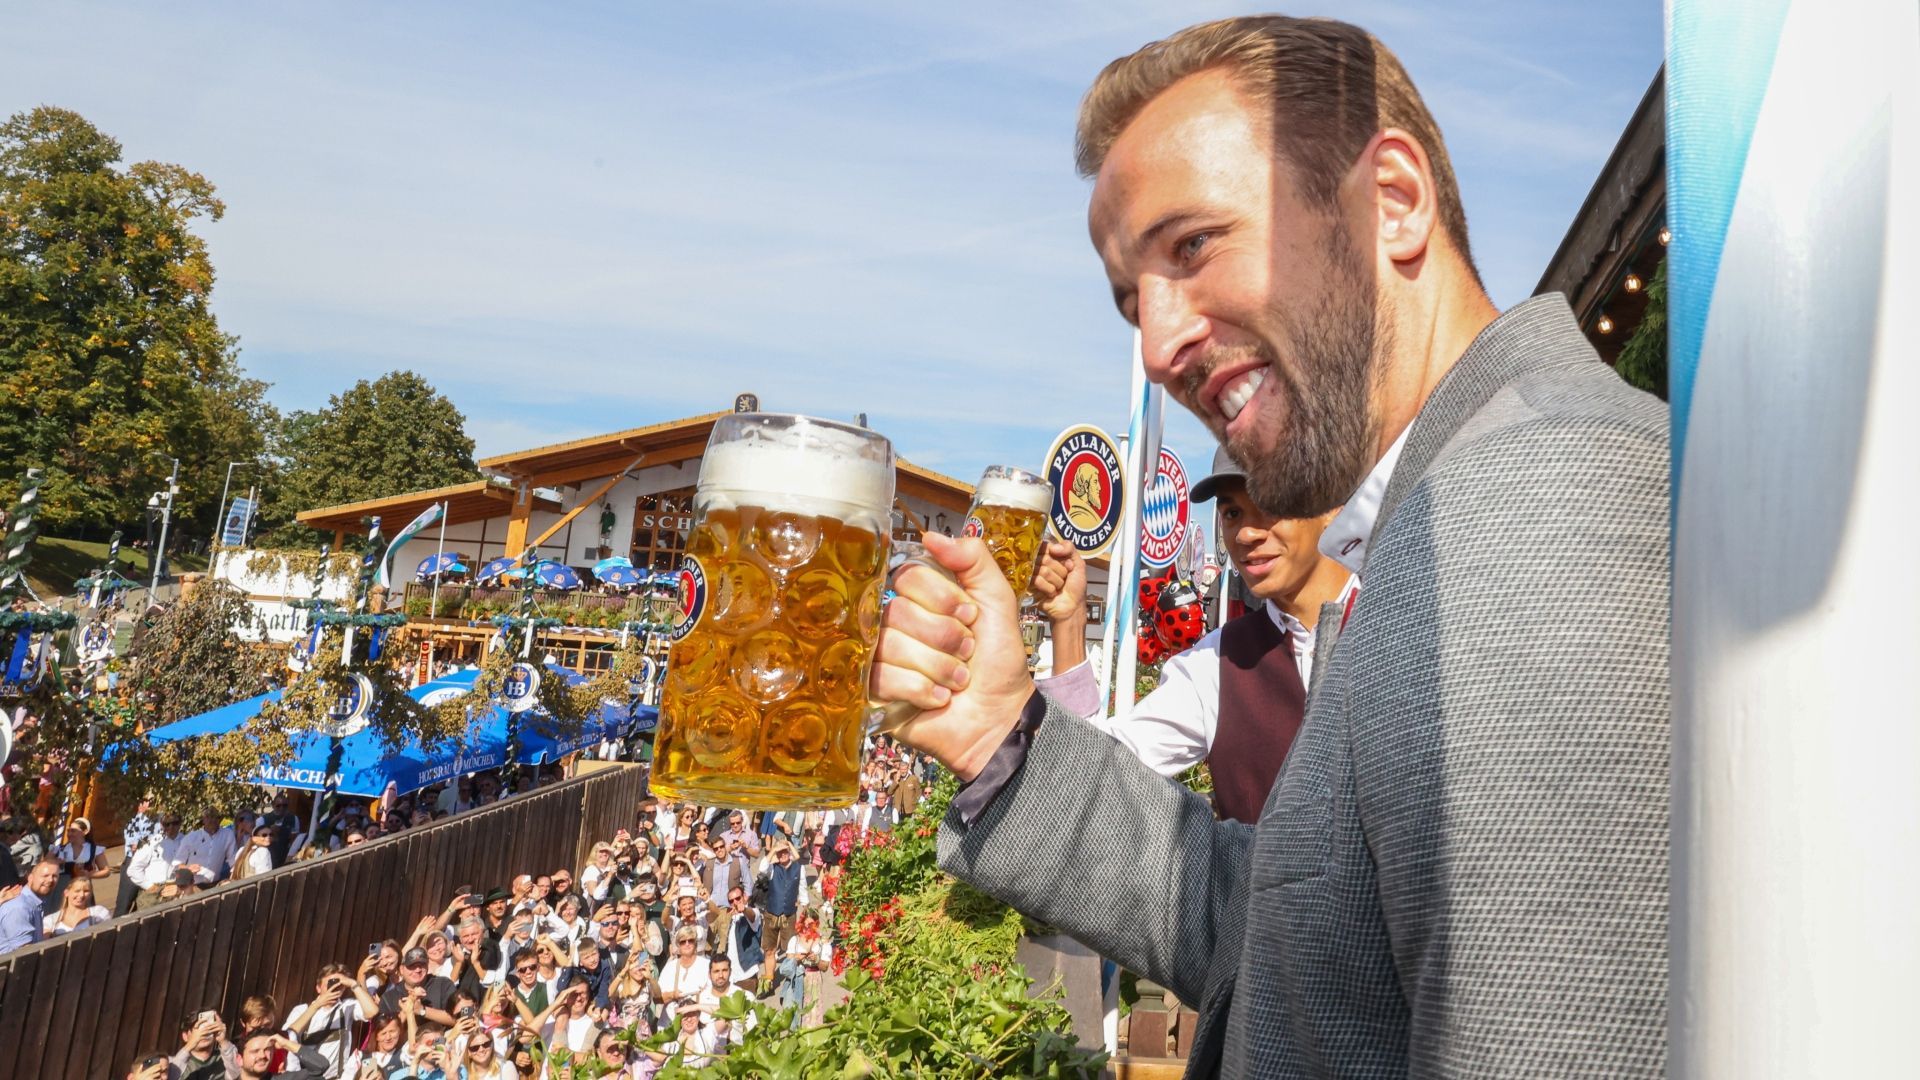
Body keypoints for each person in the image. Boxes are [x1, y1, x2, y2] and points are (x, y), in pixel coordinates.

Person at [870, 15, 1668, 1077]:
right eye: (1131, 300)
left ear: (1393, 202)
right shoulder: (1442, 514)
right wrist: (1001, 742)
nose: (1157, 347)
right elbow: (1299, 946)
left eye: (1193, 245)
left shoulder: (1533, 509)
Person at [1032, 447, 1354, 822]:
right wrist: (1069, 622)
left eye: (1270, 502)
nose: (1247, 533)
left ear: (1333, 506)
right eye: (1232, 513)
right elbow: (1090, 777)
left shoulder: (1408, 612)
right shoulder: (1217, 662)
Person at [125, 812, 188, 911]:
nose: (171, 827)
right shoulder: (151, 842)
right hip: (153, 892)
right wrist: (149, 886)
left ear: (180, 823)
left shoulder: (186, 841)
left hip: (176, 889)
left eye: (175, 823)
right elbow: (133, 869)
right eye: (167, 824)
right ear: (161, 824)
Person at [0, 859, 58, 954]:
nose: (50, 880)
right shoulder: (19, 907)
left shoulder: (33, 903)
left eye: (55, 876)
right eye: (45, 876)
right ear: (30, 877)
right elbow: (25, 952)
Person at [171, 1009, 240, 1080]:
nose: (204, 1033)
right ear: (185, 1036)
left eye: (208, 1028)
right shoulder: (177, 1062)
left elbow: (238, 1075)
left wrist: (224, 1041)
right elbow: (171, 1076)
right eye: (199, 1029)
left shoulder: (225, 1059)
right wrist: (190, 1045)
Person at [177, 809, 237, 886]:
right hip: (193, 885)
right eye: (208, 817)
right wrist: (188, 868)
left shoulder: (227, 835)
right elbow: (177, 865)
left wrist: (233, 878)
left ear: (219, 819)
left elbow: (233, 860)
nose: (212, 820)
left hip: (215, 884)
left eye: (215, 817)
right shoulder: (191, 837)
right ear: (203, 820)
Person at [52, 816, 112, 888]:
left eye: (73, 831)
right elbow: (44, 865)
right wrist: (55, 863)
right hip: (62, 888)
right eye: (68, 831)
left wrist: (89, 875)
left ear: (85, 832)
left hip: (83, 889)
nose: (69, 834)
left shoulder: (94, 849)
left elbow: (106, 871)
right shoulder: (59, 849)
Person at [44, 876, 112, 937]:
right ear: (66, 893)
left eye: (86, 891)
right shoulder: (51, 920)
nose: (82, 895)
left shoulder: (98, 913)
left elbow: (106, 936)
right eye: (77, 891)